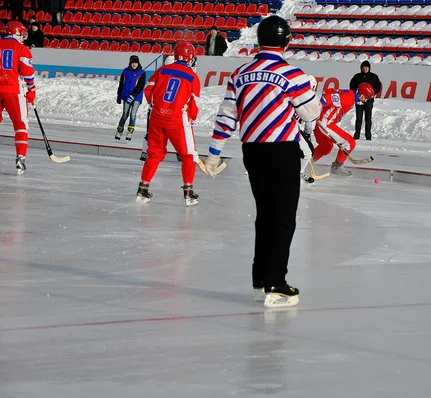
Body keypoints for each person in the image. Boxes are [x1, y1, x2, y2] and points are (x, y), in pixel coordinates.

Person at [206, 16, 321, 308]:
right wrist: (311, 91)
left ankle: (260, 278)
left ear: (259, 39)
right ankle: (275, 283)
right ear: (287, 41)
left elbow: (227, 115)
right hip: (281, 149)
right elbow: (310, 114)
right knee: (283, 218)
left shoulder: (240, 72)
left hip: (252, 150)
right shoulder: (292, 74)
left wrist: (214, 151)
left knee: (265, 213)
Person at [136, 41, 201, 207]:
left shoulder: (162, 70)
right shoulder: (193, 77)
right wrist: (191, 118)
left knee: (154, 154)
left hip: (157, 119)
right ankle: (188, 192)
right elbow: (194, 104)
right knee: (189, 155)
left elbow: (148, 90)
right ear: (190, 57)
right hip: (178, 121)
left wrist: (155, 106)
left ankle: (143, 188)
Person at [312, 83, 375, 177]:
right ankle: (337, 167)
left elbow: (329, 92)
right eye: (366, 97)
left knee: (326, 147)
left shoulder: (350, 95)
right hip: (325, 123)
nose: (365, 101)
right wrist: (315, 110)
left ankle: (303, 163)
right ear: (361, 94)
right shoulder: (349, 97)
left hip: (323, 122)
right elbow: (328, 97)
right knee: (350, 143)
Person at [0, 21, 35, 175]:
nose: (23, 37)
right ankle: (20, 158)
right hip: (13, 90)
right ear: (16, 33)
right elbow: (27, 72)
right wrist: (32, 89)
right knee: (21, 125)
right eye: (22, 34)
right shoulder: (22, 49)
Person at [116, 55, 146, 141]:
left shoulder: (142, 73)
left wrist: (132, 96)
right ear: (130, 62)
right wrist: (119, 95)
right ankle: (119, 130)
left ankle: (130, 132)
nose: (134, 64)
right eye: (133, 62)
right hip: (126, 96)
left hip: (136, 97)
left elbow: (140, 86)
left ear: (138, 63)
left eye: (135, 62)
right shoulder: (125, 71)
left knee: (133, 114)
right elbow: (121, 83)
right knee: (125, 114)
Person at [349, 61, 381, 140]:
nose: (365, 68)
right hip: (359, 100)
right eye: (363, 67)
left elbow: (378, 87)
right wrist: (357, 94)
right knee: (358, 118)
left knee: (368, 118)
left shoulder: (374, 77)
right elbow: (351, 85)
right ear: (361, 68)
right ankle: (357, 134)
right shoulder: (357, 76)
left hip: (369, 101)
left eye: (366, 67)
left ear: (369, 68)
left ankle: (368, 135)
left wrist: (372, 94)